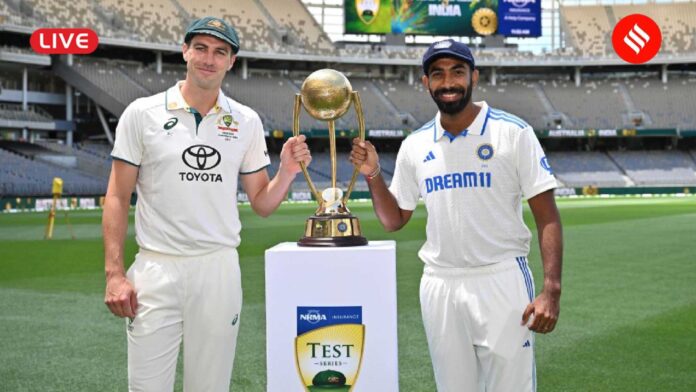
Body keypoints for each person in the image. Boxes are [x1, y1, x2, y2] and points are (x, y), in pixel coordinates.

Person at [103, 17, 311, 391]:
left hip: (218, 269)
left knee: (210, 387)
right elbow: (117, 196)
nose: (208, 59)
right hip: (156, 267)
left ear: (231, 61)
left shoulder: (245, 121)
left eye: (220, 52)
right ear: (184, 51)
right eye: (200, 48)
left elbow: (262, 202)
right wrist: (114, 274)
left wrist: (288, 172)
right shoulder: (142, 113)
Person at [350, 39, 563, 391]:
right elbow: (393, 219)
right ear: (426, 83)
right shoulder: (415, 145)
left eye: (457, 72)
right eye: (438, 74)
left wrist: (551, 290)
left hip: (501, 278)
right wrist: (373, 174)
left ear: (474, 76)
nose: (448, 82)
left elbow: (547, 215)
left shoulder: (513, 132)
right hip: (440, 283)